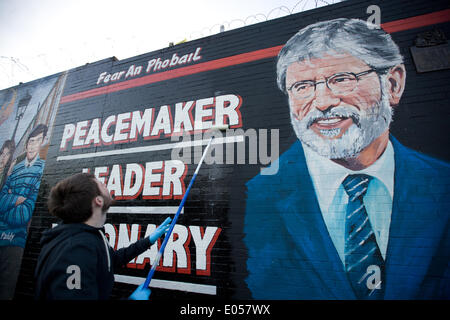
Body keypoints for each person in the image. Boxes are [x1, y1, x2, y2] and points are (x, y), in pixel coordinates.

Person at [244, 18, 450, 299]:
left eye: (341, 80)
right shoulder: (256, 195)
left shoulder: (442, 184)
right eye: (303, 87)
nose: (322, 102)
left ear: (392, 84)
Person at [34, 172, 172, 300]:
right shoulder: (75, 249)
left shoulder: (91, 235)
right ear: (98, 201)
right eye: (101, 184)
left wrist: (148, 240)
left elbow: (112, 260)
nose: (105, 185)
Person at [0, 124, 47, 299]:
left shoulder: (41, 169)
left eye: (38, 141)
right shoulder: (16, 168)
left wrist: (8, 204)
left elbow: (25, 213)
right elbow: (2, 200)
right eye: (31, 141)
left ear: (42, 143)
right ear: (27, 143)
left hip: (17, 242)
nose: (33, 145)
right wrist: (16, 200)